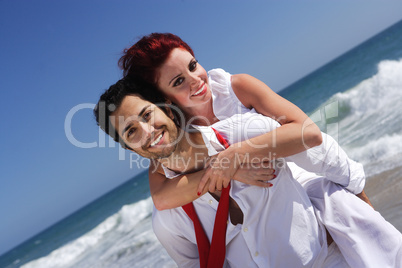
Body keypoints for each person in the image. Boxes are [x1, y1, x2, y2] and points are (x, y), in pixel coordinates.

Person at [117, 33, 402, 267]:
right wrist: (230, 169)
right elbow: (163, 198)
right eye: (178, 81)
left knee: (362, 232)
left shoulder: (236, 88)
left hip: (298, 181)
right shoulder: (169, 136)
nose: (195, 80)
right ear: (161, 99)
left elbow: (308, 133)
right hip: (261, 220)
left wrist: (237, 154)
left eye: (193, 65)